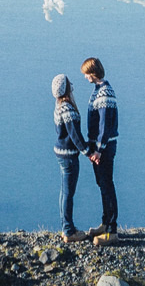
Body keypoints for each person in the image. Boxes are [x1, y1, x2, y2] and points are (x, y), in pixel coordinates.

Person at [81, 56, 119, 235]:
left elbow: (104, 125)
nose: (85, 77)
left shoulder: (104, 93)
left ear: (92, 72)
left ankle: (111, 228)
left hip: (103, 148)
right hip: (99, 148)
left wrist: (99, 150)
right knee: (102, 184)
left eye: (86, 73)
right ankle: (105, 223)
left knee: (106, 184)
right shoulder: (99, 90)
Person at [52, 73, 90, 240]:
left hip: (61, 153)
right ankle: (69, 231)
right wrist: (88, 152)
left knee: (64, 192)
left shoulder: (59, 105)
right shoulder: (67, 108)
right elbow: (75, 135)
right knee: (68, 193)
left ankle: (66, 227)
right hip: (68, 156)